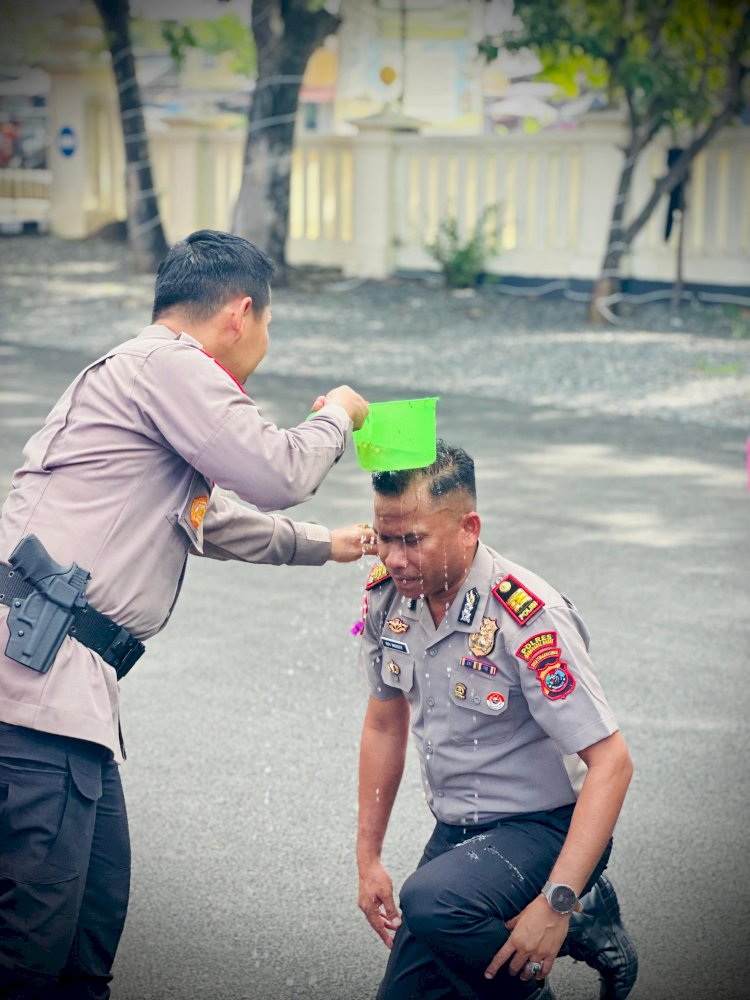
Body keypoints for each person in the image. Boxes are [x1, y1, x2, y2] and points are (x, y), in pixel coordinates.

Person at [0, 229, 374, 998]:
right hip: (34, 699)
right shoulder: (169, 364)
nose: (266, 339)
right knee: (32, 956)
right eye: (270, 323)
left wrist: (325, 546)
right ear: (241, 313)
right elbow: (276, 469)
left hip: (64, 698)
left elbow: (205, 516)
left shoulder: (146, 382)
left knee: (87, 931)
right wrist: (339, 414)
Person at [356, 442, 638, 1000]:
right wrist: (368, 860)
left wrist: (555, 902)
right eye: (385, 538)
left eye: (412, 540)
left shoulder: (527, 617)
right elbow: (384, 724)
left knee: (433, 903)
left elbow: (613, 764)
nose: (394, 559)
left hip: (549, 827)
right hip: (462, 835)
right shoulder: (390, 599)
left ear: (468, 527)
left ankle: (578, 913)